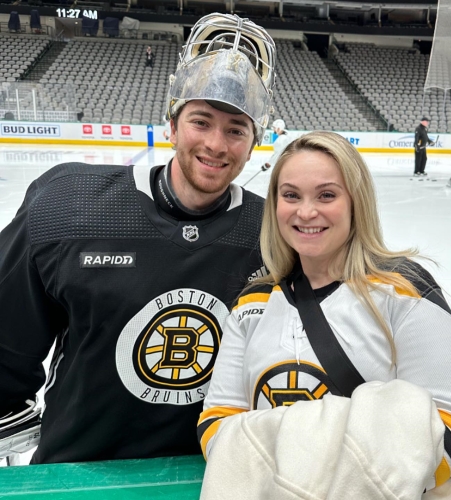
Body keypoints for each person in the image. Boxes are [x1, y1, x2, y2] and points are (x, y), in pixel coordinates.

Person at [0, 13, 276, 464]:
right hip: (77, 475)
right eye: (201, 121)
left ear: (253, 143)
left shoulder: (275, 234)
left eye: (236, 130)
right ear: (171, 124)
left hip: (211, 478)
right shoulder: (70, 205)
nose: (216, 144)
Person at [198, 131, 451, 495]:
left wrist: (286, 465)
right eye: (291, 195)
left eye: (326, 195)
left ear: (355, 203)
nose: (306, 211)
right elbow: (218, 423)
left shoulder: (405, 293)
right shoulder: (252, 303)